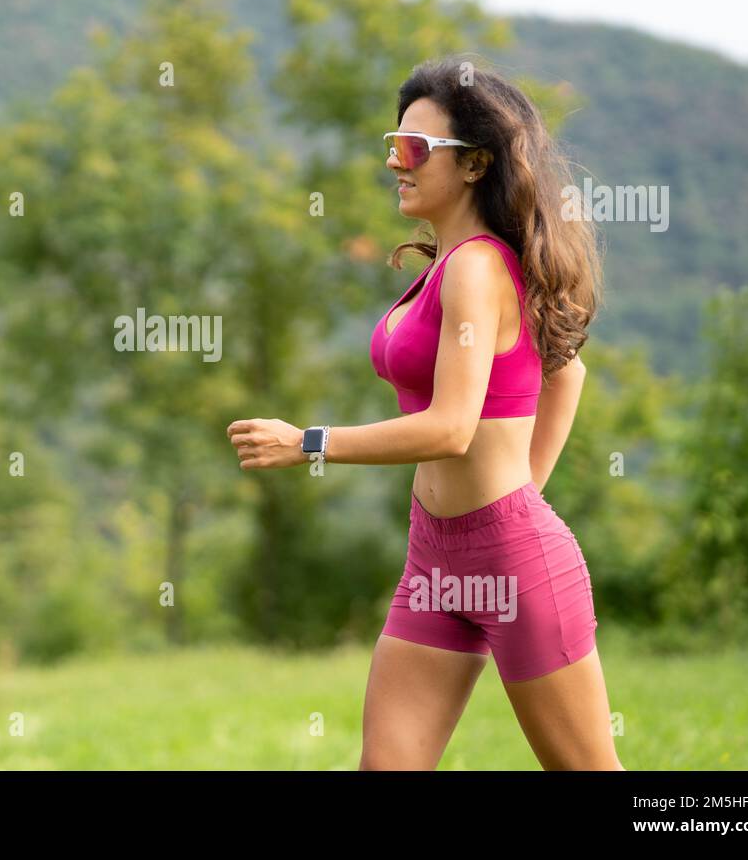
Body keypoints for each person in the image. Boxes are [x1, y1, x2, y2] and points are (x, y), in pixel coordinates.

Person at [225, 57, 623, 770]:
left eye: (412, 150)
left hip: (511, 558)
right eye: (392, 144)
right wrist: (520, 486)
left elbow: (450, 428)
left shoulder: (476, 266)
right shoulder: (451, 263)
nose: (393, 162)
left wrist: (308, 442)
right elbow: (567, 372)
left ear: (474, 164)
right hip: (434, 558)